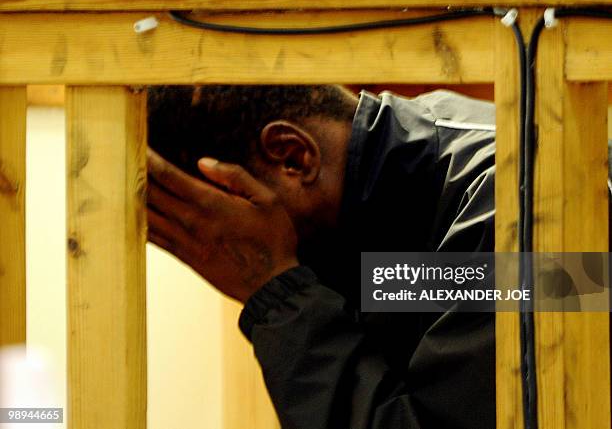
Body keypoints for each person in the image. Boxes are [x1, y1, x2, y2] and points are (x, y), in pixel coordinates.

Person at [146, 85, 497, 429]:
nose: (220, 251)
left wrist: (277, 292)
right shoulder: (382, 205)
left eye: (212, 226)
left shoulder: (498, 207)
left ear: (292, 157)